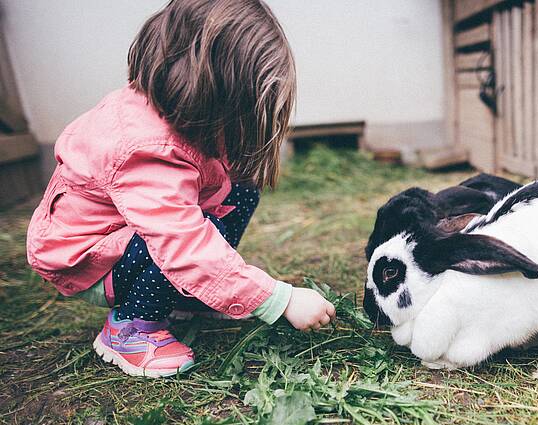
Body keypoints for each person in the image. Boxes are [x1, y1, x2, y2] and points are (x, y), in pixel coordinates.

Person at [26, 0, 336, 378]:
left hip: (126, 239)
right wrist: (276, 298)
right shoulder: (145, 148)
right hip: (88, 259)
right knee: (182, 241)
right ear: (213, 88)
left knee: (239, 190)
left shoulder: (180, 119)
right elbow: (183, 243)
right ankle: (129, 328)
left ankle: (183, 294)